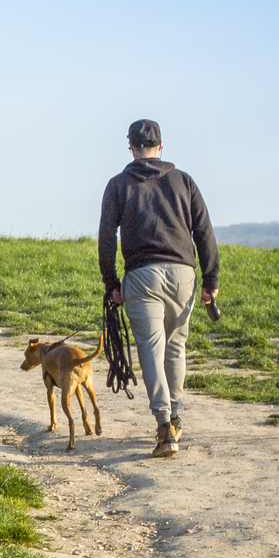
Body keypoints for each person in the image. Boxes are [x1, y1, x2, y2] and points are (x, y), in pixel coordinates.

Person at [98, 119, 219, 459]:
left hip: (142, 275)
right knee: (175, 347)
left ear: (131, 148)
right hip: (183, 273)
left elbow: (107, 238)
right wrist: (211, 281)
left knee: (151, 350)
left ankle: (164, 424)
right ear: (161, 146)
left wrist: (112, 284)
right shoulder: (184, 181)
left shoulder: (118, 185)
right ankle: (176, 415)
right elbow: (204, 233)